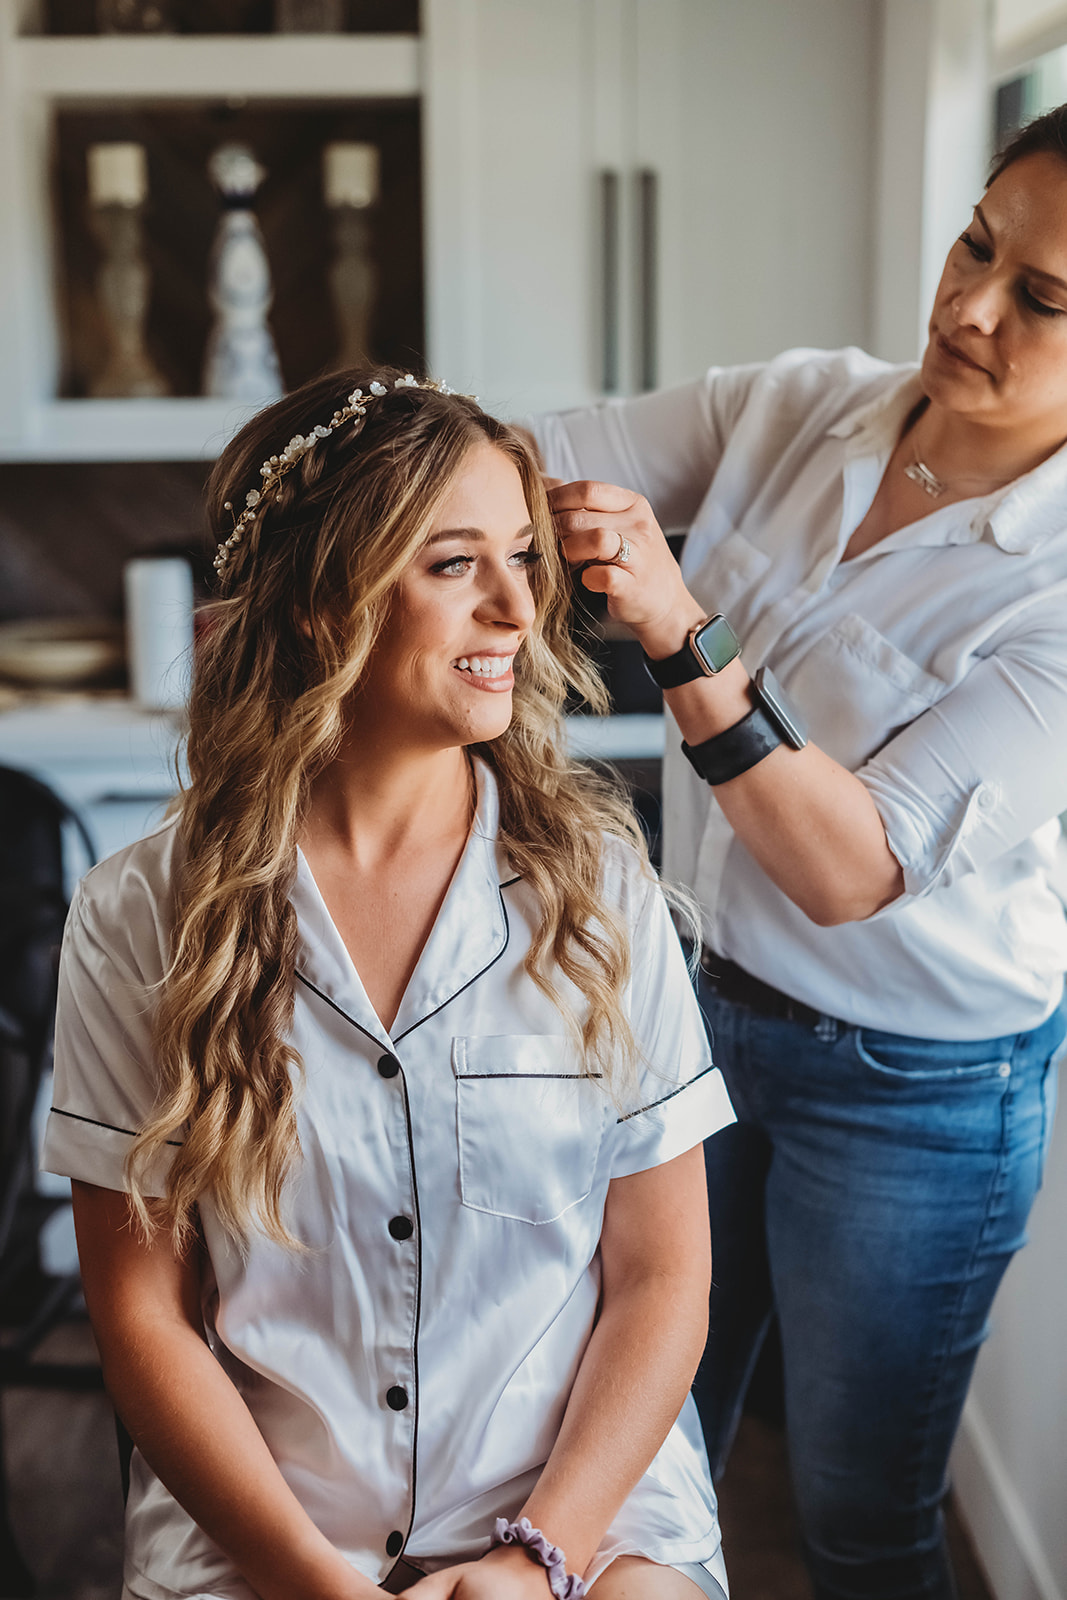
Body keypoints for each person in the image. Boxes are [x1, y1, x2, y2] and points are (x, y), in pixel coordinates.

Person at [42, 368, 738, 1600]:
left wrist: (537, 1556)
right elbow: (143, 1308)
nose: (515, 609)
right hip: (269, 1530)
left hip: (579, 1513)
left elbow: (660, 1275)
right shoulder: (142, 916)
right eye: (451, 564)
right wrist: (306, 1574)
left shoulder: (598, 892)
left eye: (523, 558)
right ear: (322, 604)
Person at [526, 106, 1067, 1600]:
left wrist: (677, 631)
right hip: (699, 1019)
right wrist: (354, 492)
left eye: (1041, 299)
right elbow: (526, 465)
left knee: (855, 1522)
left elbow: (850, 868)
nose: (964, 306)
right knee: (629, 1458)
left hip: (912, 1095)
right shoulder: (799, 403)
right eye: (976, 244)